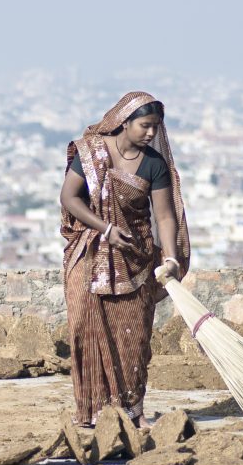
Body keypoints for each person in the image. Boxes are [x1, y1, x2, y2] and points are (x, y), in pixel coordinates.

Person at [59, 91, 190, 428]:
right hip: (89, 255)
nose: (150, 133)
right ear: (124, 122)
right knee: (82, 331)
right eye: (145, 126)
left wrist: (171, 259)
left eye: (155, 127)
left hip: (135, 258)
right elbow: (69, 197)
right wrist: (105, 228)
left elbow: (164, 216)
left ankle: (133, 411)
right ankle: (90, 414)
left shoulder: (153, 164)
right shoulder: (90, 154)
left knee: (133, 336)